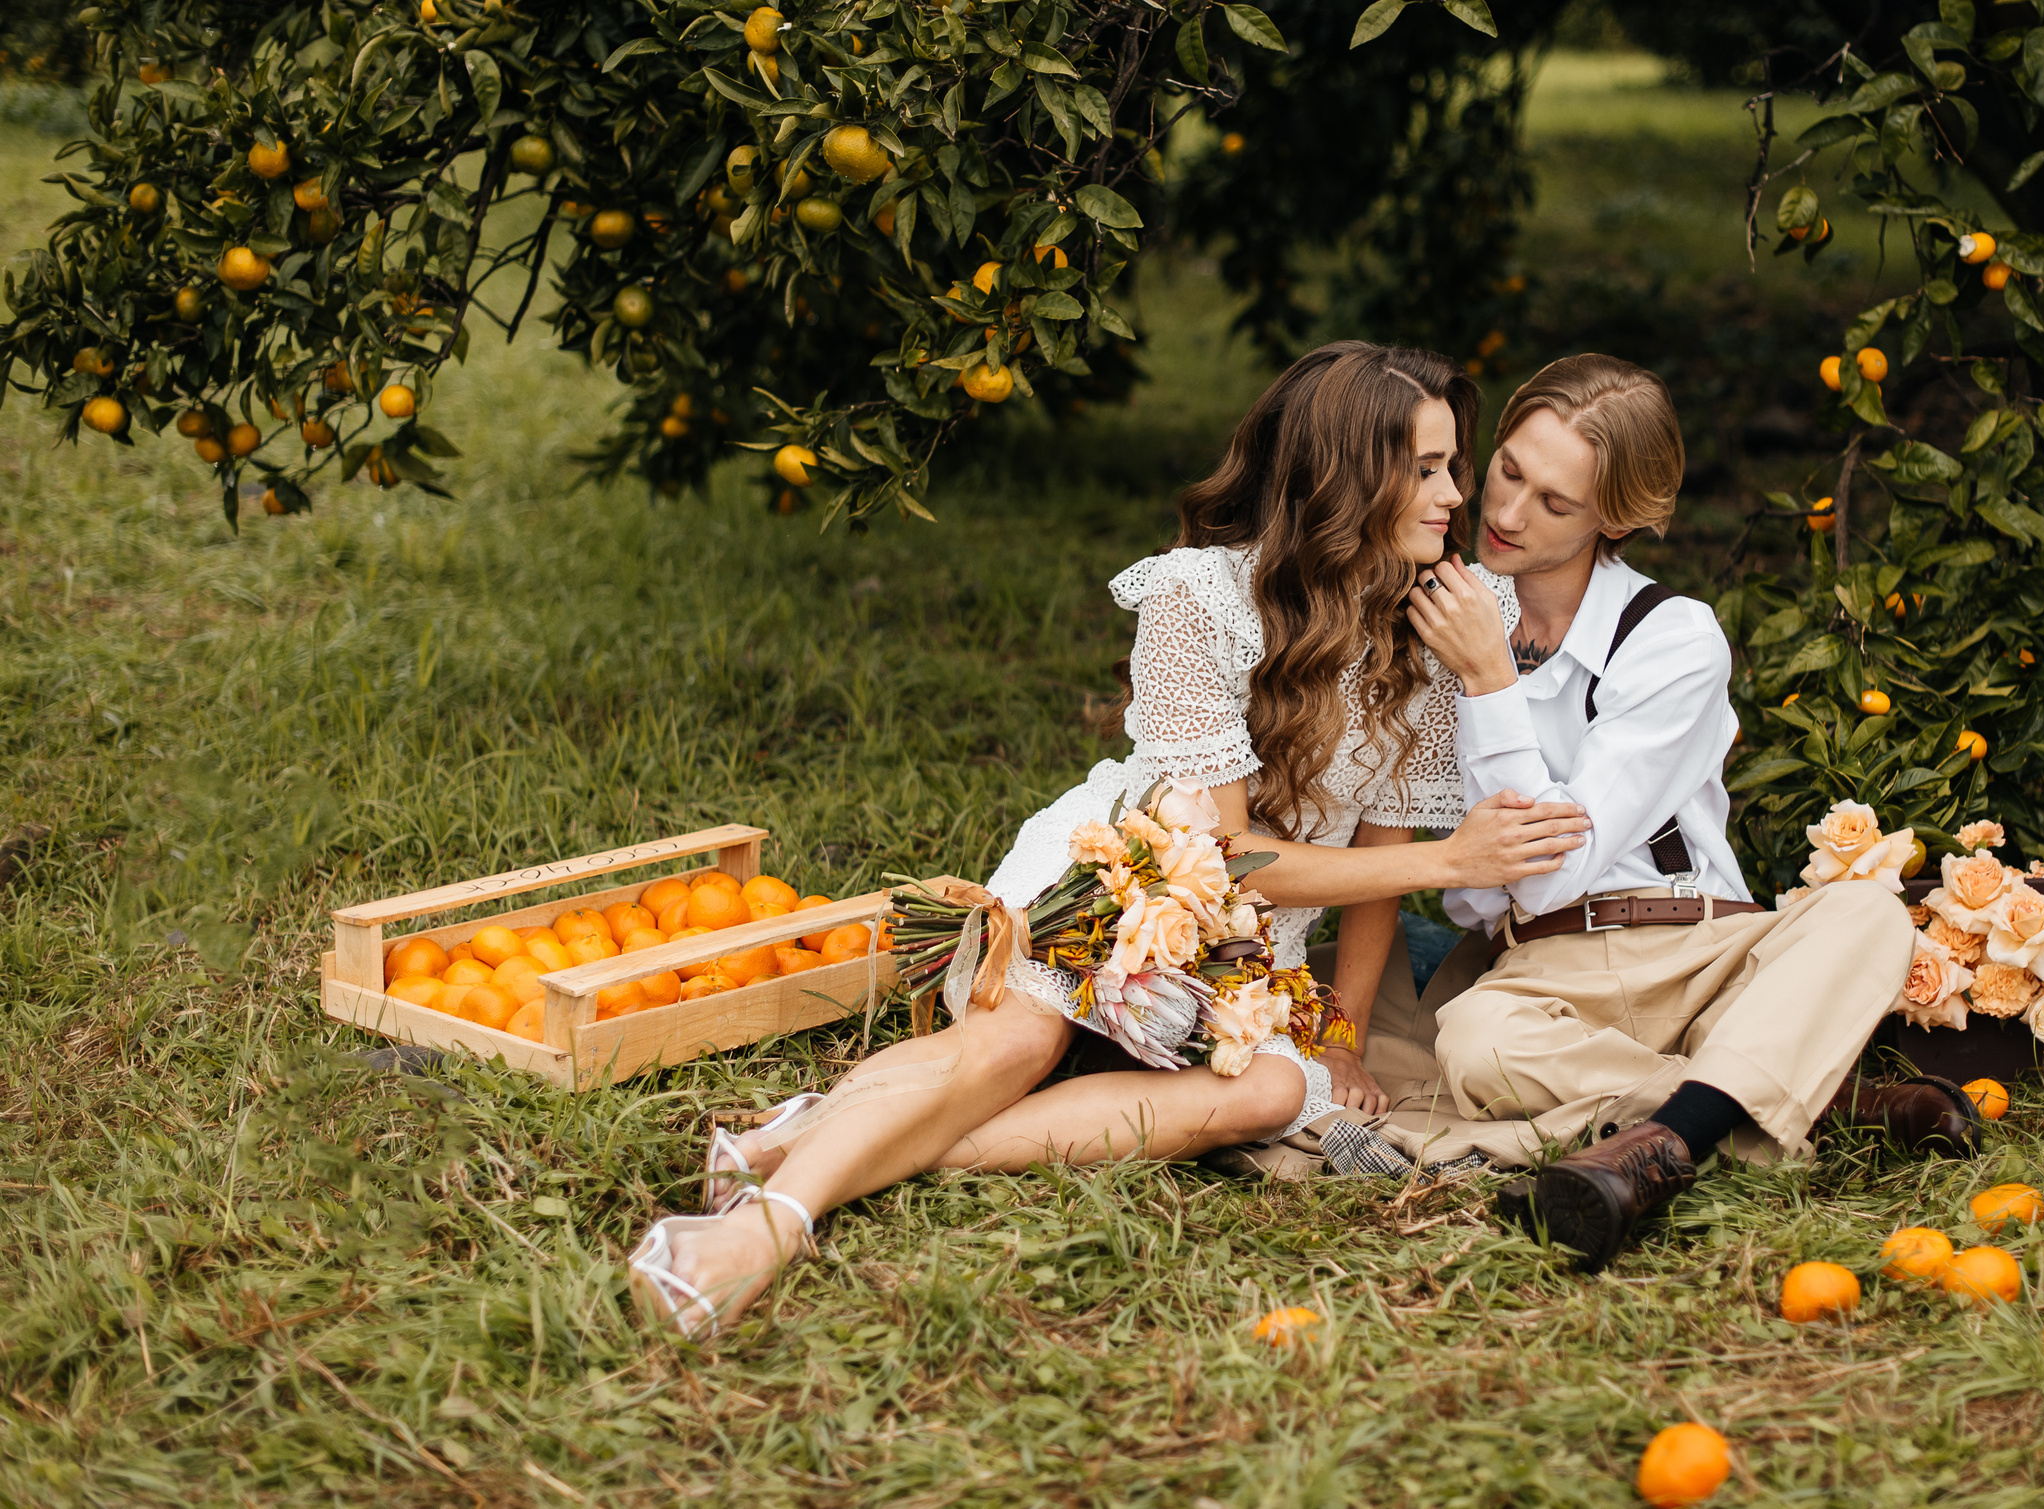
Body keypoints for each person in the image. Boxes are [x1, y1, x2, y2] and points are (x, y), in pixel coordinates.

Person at [625, 342, 1594, 1336]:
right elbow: (1229, 857)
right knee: (1021, 1040)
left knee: (1270, 1089)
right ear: (1348, 477)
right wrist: (1454, 860)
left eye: (1453, 464)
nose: (1455, 494)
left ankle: (832, 1139)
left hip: (1248, 950)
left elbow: (1378, 859)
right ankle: (771, 1224)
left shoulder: (1432, 619)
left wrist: (1339, 1030)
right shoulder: (1198, 597)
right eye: (1425, 469)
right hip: (1116, 882)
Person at [1396, 353, 1972, 1273]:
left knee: (1867, 911)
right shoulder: (1444, 613)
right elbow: (1509, 894)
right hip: (1538, 970)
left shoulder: (1672, 638)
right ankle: (1795, 1106)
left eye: (1555, 503)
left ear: (1615, 520)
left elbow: (1547, 866)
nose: (1507, 512)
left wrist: (1490, 681)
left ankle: (1662, 1136)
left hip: (1699, 947)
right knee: (1472, 1041)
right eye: (1507, 471)